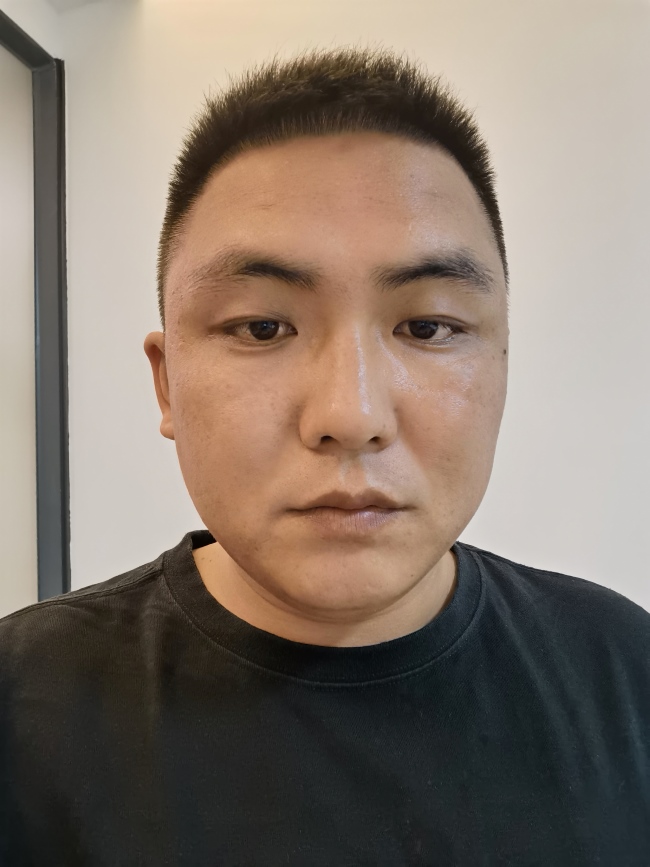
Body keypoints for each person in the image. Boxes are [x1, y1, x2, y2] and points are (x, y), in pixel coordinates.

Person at [1, 47, 648, 866]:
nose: (351, 414)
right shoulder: (22, 707)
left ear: (502, 365)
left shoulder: (625, 671)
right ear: (167, 384)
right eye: (263, 327)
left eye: (427, 326)